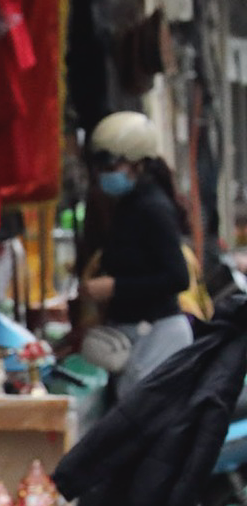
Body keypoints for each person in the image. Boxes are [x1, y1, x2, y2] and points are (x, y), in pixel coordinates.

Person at [79, 111, 192, 391]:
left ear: (138, 163)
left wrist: (115, 287)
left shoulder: (152, 208)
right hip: (134, 336)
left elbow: (178, 278)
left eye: (113, 166)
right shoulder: (126, 206)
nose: (105, 175)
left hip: (159, 336)